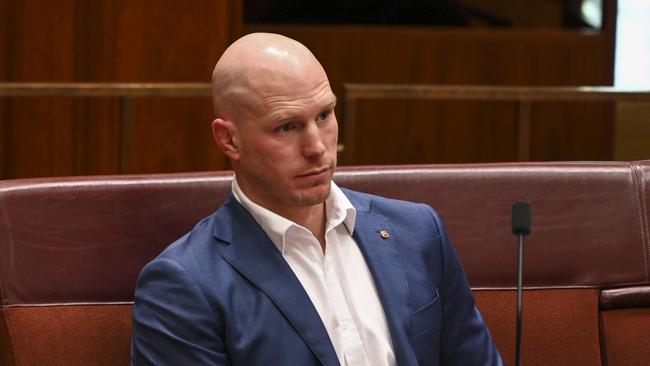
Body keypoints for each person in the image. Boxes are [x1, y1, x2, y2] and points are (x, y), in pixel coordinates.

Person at [131, 32, 502, 366]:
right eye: (286, 126)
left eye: (324, 115)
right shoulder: (184, 284)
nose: (317, 147)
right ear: (229, 140)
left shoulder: (418, 232)